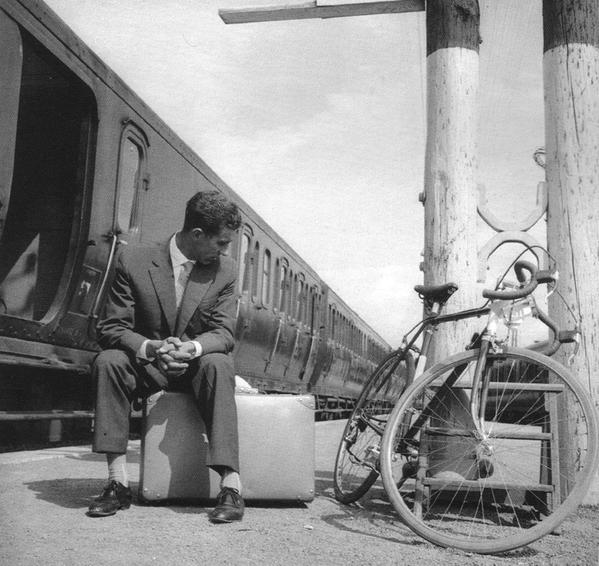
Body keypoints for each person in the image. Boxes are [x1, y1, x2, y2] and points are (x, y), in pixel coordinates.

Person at [87, 190, 244, 523]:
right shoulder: (134, 260)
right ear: (197, 235)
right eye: (222, 243)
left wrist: (192, 348)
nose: (225, 251)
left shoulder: (225, 271)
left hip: (195, 369)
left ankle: (231, 486)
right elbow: (111, 327)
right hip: (149, 367)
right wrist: (151, 348)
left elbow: (224, 333)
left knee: (219, 362)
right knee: (109, 361)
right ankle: (117, 483)